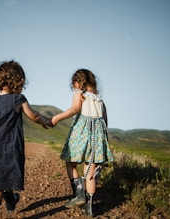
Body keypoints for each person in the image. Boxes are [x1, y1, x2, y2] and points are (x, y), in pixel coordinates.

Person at [0, 60, 49, 218]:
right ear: (19, 81)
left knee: (1, 178)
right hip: (6, 150)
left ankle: (12, 199)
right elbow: (33, 116)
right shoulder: (18, 99)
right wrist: (45, 122)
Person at [50, 69, 114, 217]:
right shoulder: (100, 101)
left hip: (81, 134)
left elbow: (74, 109)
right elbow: (105, 122)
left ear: (79, 83)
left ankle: (79, 194)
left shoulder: (80, 94)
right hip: (97, 138)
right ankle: (90, 208)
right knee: (89, 172)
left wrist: (56, 118)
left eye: (74, 85)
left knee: (70, 163)